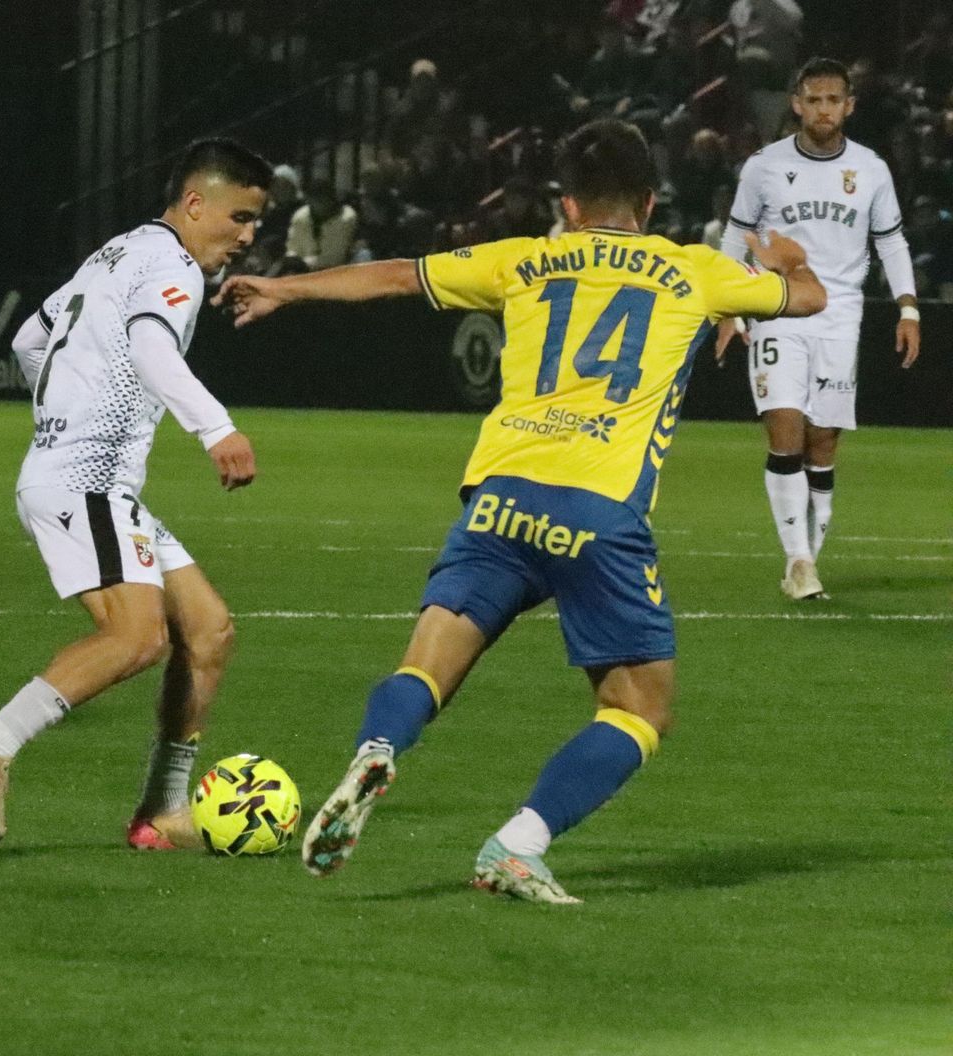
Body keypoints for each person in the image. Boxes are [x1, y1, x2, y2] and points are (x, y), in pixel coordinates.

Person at [215, 119, 825, 903]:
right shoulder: (693, 271)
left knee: (424, 669)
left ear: (568, 204)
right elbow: (807, 301)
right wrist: (790, 263)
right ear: (648, 199)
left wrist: (284, 288)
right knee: (641, 710)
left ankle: (378, 746)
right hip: (598, 510)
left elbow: (400, 275)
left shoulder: (526, 261)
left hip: (499, 495)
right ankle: (517, 844)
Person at [0, 138, 270, 847]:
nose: (247, 237)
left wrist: (66, 408)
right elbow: (153, 347)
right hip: (83, 480)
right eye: (239, 217)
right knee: (136, 635)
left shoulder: (118, 252)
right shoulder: (173, 265)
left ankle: (161, 809)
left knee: (207, 631)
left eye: (256, 223)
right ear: (194, 204)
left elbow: (31, 339)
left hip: (90, 480)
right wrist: (216, 429)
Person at [716, 57, 920, 600]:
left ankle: (806, 558)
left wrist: (908, 308)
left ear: (849, 106)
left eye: (834, 100)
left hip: (840, 315)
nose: (824, 109)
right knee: (784, 428)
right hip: (777, 308)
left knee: (821, 443)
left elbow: (892, 243)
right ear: (797, 104)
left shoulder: (872, 169)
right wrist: (728, 309)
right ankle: (800, 562)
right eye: (814, 99)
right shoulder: (763, 166)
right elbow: (736, 238)